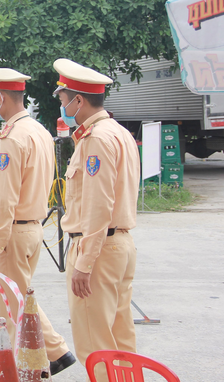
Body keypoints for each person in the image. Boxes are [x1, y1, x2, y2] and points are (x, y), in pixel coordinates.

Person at [0, 64, 76, 375]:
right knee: (20, 299)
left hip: (15, 233)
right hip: (34, 227)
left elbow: (6, 200)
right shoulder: (39, 131)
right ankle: (51, 356)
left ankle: (44, 359)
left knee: (13, 309)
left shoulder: (12, 137)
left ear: (0, 98)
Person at [53, 58, 140, 380]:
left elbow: (98, 207)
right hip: (118, 245)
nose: (62, 106)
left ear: (78, 100)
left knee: (96, 346)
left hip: (99, 248)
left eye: (63, 99)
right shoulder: (117, 132)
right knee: (120, 341)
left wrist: (84, 263)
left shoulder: (96, 140)